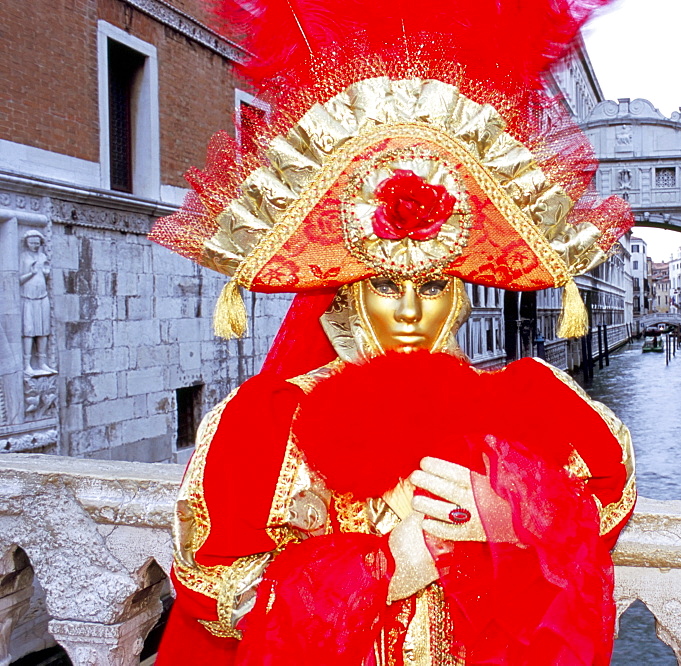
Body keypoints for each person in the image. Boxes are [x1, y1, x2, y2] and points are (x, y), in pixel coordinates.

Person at [150, 1, 635, 663]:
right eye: (385, 285)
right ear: (351, 288)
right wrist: (385, 568)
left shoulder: (532, 408)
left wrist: (514, 514)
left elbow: (603, 505)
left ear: (460, 294)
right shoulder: (267, 426)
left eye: (432, 286)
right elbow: (217, 593)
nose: (410, 311)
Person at [19, 230, 54, 376]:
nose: (34, 245)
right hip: (28, 298)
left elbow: (45, 278)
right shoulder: (24, 256)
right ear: (26, 243)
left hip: (42, 297)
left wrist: (45, 274)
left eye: (37, 243)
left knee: (43, 331)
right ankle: (27, 364)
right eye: (32, 243)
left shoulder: (43, 256)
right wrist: (31, 273)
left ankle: (42, 362)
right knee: (28, 331)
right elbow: (19, 279)